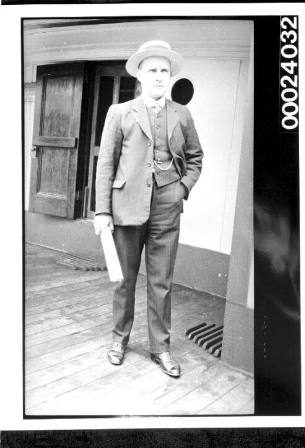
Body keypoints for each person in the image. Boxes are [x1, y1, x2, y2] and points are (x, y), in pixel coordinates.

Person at [94, 40, 203, 378]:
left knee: (162, 283)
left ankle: (161, 348)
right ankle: (119, 340)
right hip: (127, 207)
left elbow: (196, 158)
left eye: (164, 71)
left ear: (170, 77)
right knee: (124, 280)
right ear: (140, 75)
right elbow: (106, 164)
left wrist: (181, 189)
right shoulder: (120, 112)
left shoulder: (182, 114)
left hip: (167, 209)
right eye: (152, 70)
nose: (158, 76)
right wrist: (102, 211)